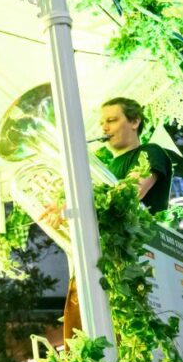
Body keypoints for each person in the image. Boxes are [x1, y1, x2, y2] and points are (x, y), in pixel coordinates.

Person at [52, 97, 173, 344]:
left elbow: (130, 194)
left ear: (135, 121)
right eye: (102, 123)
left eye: (112, 120)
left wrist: (77, 204)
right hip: (96, 259)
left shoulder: (150, 152)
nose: (104, 128)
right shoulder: (101, 164)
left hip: (130, 259)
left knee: (126, 340)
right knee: (80, 340)